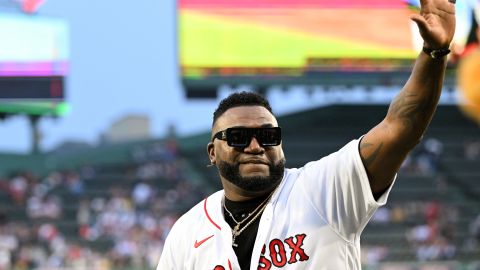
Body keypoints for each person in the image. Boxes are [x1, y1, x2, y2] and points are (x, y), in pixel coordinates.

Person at [157, 0, 456, 268]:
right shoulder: (188, 232)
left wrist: (434, 53)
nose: (255, 146)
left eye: (267, 136)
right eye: (238, 137)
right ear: (212, 152)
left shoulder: (322, 191)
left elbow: (400, 127)